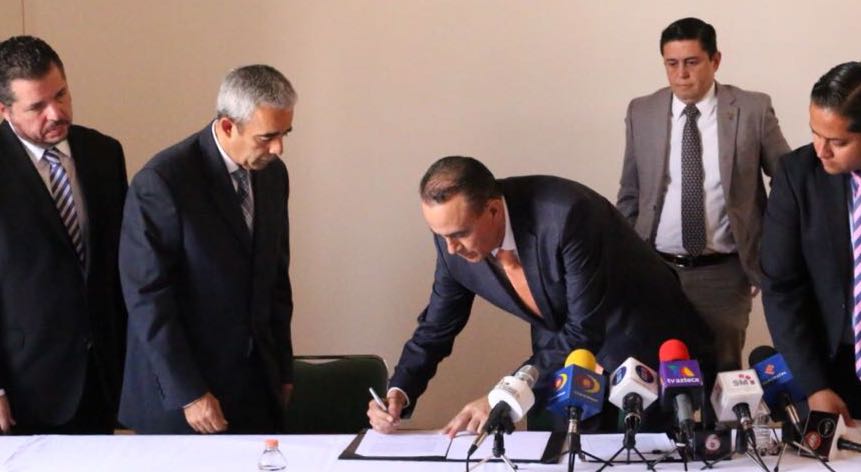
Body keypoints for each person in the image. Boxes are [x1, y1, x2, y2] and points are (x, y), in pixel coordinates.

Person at [368, 156, 715, 435]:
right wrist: (400, 391)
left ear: (492, 210)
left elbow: (584, 329)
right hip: (561, 354)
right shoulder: (452, 241)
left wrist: (500, 395)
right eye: (439, 234)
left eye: (458, 234)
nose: (450, 248)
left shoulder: (568, 215)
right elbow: (436, 327)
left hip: (641, 344)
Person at [118, 65, 295, 434]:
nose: (278, 148)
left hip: (255, 387)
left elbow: (275, 277)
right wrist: (190, 392)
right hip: (185, 396)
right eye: (267, 137)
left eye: (284, 134)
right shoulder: (164, 181)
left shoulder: (273, 175)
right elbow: (148, 298)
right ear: (228, 126)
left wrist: (282, 369)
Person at [616, 17, 790, 371]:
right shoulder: (642, 111)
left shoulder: (752, 110)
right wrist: (625, 262)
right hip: (656, 269)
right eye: (671, 63)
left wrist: (769, 250)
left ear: (715, 60)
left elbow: (788, 182)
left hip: (722, 274)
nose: (681, 74)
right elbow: (630, 193)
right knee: (656, 370)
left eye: (692, 62)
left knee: (723, 374)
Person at [0, 35, 128, 434]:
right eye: (37, 106)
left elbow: (120, 267)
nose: (56, 113)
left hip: (104, 376)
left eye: (61, 94)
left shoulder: (105, 154)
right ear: (4, 110)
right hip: (27, 385)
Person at [761, 61, 861, 424]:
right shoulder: (797, 175)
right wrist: (814, 385)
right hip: (832, 369)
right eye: (815, 134)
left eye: (838, 142)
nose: (821, 150)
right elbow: (781, 287)